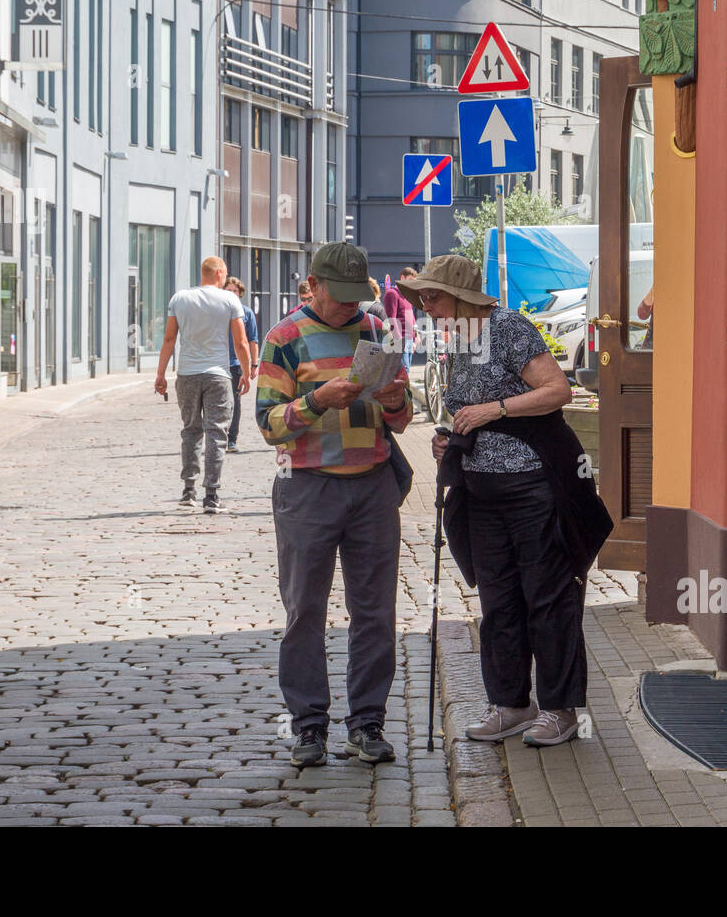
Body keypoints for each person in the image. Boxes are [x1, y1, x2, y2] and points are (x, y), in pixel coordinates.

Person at [400, 254, 611, 748]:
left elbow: (557, 390)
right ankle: (512, 704)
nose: (425, 306)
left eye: (432, 296)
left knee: (548, 598)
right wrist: (449, 440)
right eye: (422, 299)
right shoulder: (460, 341)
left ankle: (560, 709)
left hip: (534, 488)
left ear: (462, 296)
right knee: (498, 603)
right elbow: (466, 414)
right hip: (481, 492)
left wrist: (493, 410)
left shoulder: (509, 328)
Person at [256, 242, 413, 768]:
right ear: (314, 286)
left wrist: (394, 401)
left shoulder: (376, 332)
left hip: (371, 486)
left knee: (375, 612)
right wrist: (317, 400)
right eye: (339, 297)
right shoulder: (285, 338)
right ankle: (308, 727)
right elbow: (267, 423)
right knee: (305, 610)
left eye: (356, 297)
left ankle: (367, 723)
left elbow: (403, 417)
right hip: (307, 487)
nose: (350, 307)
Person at [155, 256, 251, 513]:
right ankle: (212, 495)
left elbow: (168, 339)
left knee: (190, 430)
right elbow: (240, 342)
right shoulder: (230, 300)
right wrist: (246, 372)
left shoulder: (180, 299)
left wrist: (161, 374)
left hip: (187, 374)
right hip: (218, 375)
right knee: (217, 433)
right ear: (220, 272)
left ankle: (188, 490)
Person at [223, 276, 260, 453]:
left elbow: (253, 340)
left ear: (240, 293)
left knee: (235, 403)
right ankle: (217, 437)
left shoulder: (246, 313)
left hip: (236, 364)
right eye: (228, 290)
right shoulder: (218, 312)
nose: (231, 293)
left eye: (234, 291)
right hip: (218, 363)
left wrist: (253, 365)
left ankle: (232, 439)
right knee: (216, 403)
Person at [382, 266, 419, 371]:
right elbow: (391, 319)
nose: (412, 283)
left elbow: (411, 318)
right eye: (410, 280)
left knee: (406, 371)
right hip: (400, 340)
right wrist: (398, 342)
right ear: (402, 278)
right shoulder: (392, 294)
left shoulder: (407, 295)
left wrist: (416, 338)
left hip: (409, 340)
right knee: (403, 372)